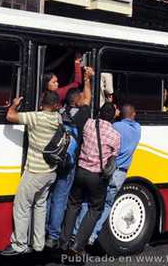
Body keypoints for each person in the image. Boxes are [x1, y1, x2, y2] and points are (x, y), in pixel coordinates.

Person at [1, 91, 60, 256]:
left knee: (22, 205)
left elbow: (10, 116)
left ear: (42, 102)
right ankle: (39, 244)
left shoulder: (36, 117)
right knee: (40, 206)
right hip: (50, 172)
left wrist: (14, 103)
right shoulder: (58, 118)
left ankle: (20, 244)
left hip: (35, 171)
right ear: (56, 105)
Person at [75, 104, 141, 245]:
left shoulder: (115, 127)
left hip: (105, 171)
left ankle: (77, 233)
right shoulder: (137, 129)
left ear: (119, 114)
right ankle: (91, 236)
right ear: (133, 114)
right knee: (106, 205)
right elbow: (131, 118)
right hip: (120, 174)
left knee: (89, 202)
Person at [60, 103, 120, 255]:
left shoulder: (88, 124)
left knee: (73, 205)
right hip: (97, 177)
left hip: (80, 172)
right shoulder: (115, 136)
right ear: (113, 117)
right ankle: (77, 246)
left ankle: (64, 241)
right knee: (95, 210)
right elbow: (113, 159)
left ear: (99, 113)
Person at [45, 67, 94, 249]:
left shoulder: (60, 112)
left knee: (49, 196)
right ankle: (53, 235)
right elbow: (88, 99)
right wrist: (88, 79)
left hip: (53, 159)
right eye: (81, 97)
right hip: (69, 163)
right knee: (60, 197)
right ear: (77, 101)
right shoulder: (81, 116)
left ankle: (44, 228)